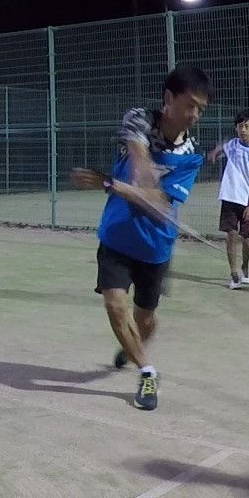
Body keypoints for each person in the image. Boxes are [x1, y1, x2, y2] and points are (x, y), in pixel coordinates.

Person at [70, 66, 214, 411]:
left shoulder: (190, 157)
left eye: (200, 109)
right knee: (114, 305)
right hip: (116, 239)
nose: (195, 115)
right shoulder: (138, 118)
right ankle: (147, 372)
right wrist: (140, 169)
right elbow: (137, 151)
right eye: (190, 105)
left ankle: (131, 347)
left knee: (144, 320)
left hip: (154, 248)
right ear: (169, 99)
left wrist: (112, 184)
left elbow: (158, 203)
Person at [210, 110, 249, 290]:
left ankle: (245, 268)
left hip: (247, 201)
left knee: (246, 238)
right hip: (229, 197)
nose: (243, 130)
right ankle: (234, 275)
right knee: (231, 235)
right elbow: (221, 149)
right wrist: (214, 153)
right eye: (240, 126)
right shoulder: (232, 144)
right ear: (236, 128)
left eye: (246, 126)